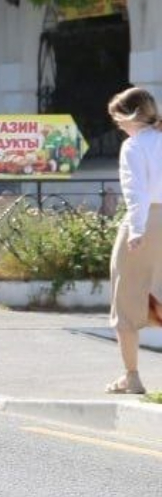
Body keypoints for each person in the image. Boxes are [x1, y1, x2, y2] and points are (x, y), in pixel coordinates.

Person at [106, 86, 162, 393]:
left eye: (118, 118)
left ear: (129, 116)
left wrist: (137, 230)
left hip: (146, 222)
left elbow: (136, 192)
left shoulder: (134, 146)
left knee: (126, 298)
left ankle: (132, 376)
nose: (118, 125)